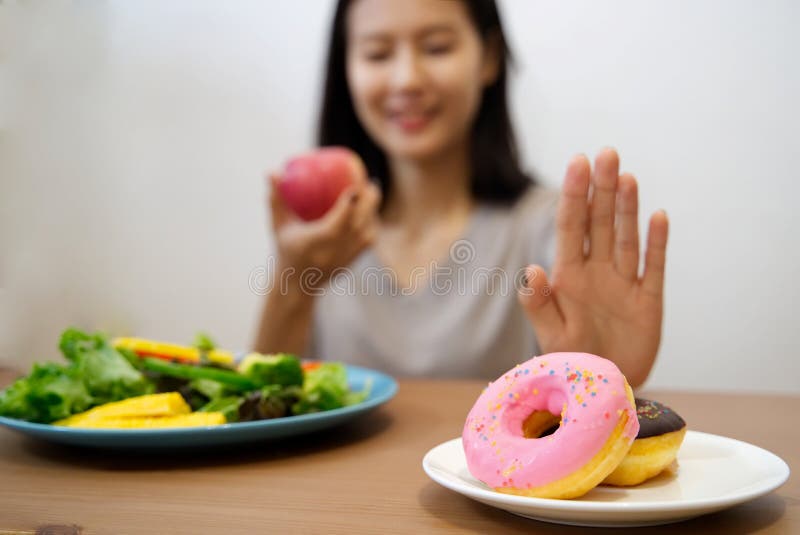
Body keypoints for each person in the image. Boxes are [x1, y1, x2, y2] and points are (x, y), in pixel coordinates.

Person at [254, 0, 668, 387]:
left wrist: (606, 378)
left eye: (436, 48)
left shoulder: (544, 228)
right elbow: (265, 406)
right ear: (346, 68)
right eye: (377, 54)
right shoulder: (322, 238)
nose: (407, 79)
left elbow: (576, 404)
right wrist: (291, 286)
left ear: (488, 57)